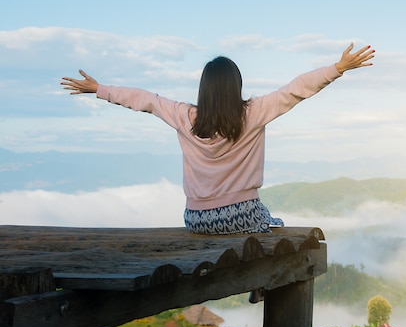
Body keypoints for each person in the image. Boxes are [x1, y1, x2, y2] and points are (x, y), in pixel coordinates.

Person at [61, 43, 375, 235]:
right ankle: (261, 284)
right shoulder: (253, 113)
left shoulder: (185, 117)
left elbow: (147, 99)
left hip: (195, 219)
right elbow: (294, 90)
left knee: (266, 220)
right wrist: (337, 68)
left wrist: (100, 90)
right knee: (272, 223)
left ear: (204, 89)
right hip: (240, 215)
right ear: (236, 84)